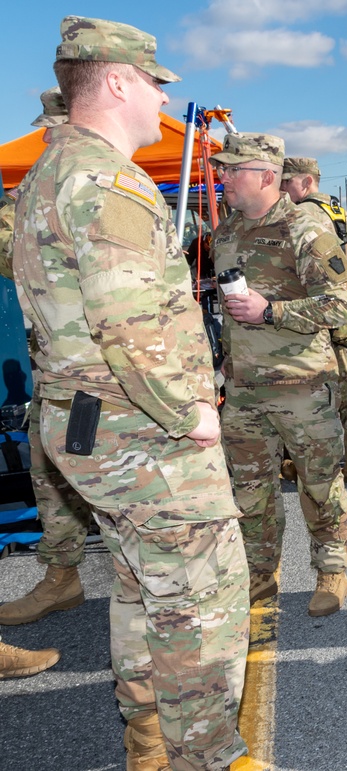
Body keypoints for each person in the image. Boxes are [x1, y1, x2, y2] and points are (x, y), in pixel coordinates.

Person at [12, 16, 249, 769]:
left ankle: (147, 745)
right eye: (153, 83)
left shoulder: (53, 171)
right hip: (142, 431)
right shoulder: (104, 179)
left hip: (92, 426)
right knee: (202, 603)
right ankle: (203, 757)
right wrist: (194, 414)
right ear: (116, 81)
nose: (160, 102)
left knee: (143, 589)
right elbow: (130, 322)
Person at [210, 133, 347, 618]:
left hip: (300, 386)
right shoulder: (226, 230)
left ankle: (331, 568)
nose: (223, 178)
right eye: (223, 169)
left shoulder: (305, 226)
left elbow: (338, 306)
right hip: (244, 388)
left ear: (267, 177)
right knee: (250, 490)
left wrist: (270, 311)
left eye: (234, 170)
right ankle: (259, 571)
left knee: (319, 483)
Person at [0, 87, 97, 629]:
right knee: (49, 472)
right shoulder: (36, 188)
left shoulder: (102, 188)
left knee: (119, 488)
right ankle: (62, 576)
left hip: (103, 374)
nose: (50, 139)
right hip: (55, 366)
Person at [280, 156, 347, 488]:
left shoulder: (298, 217)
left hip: (311, 318)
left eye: (287, 183)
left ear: (306, 182)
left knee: (305, 394)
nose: (282, 190)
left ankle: (302, 463)